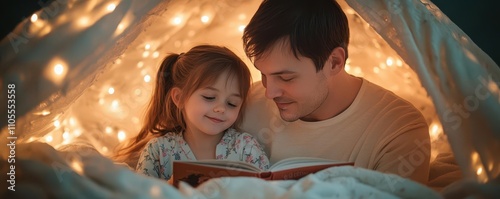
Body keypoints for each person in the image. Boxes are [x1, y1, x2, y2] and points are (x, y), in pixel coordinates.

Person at [240, 0, 430, 184]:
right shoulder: (243, 103)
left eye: (286, 78)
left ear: (334, 62)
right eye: (263, 74)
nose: (269, 92)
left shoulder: (398, 129)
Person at [114, 45, 269, 181]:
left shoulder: (245, 146)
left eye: (232, 103)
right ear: (179, 98)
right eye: (209, 97)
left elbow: (270, 190)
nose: (221, 108)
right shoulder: (158, 151)